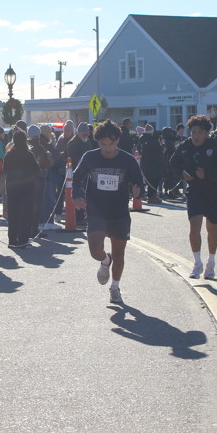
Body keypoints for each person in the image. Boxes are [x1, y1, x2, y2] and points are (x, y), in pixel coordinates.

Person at [72, 120, 144, 304]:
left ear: (117, 141)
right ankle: (105, 260)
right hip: (96, 210)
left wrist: (138, 191)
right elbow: (77, 177)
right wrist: (76, 196)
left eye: (110, 144)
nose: (107, 148)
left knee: (119, 254)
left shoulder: (127, 160)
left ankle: (115, 287)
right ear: (98, 142)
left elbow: (139, 181)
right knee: (95, 250)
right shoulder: (90, 157)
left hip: (119, 212)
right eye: (103, 144)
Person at [170, 114, 217, 279]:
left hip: (215, 192)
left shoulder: (215, 146)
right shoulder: (185, 146)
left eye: (199, 132)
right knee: (194, 226)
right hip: (195, 191)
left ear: (206, 133)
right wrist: (182, 173)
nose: (196, 136)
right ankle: (197, 263)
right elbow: (173, 163)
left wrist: (207, 174)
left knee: (212, 227)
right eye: (193, 132)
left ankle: (210, 263)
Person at [2, 130, 40, 248]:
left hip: (12, 188)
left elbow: (4, 170)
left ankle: (12, 240)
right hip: (26, 188)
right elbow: (37, 169)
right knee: (26, 214)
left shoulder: (9, 154)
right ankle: (23, 240)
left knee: (13, 214)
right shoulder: (29, 155)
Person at [138, 124, 166, 203]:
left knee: (149, 180)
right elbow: (161, 150)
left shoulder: (141, 139)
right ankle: (152, 197)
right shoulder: (153, 140)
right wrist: (162, 145)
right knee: (154, 180)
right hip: (154, 163)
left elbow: (138, 149)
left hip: (144, 162)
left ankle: (150, 196)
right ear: (152, 131)